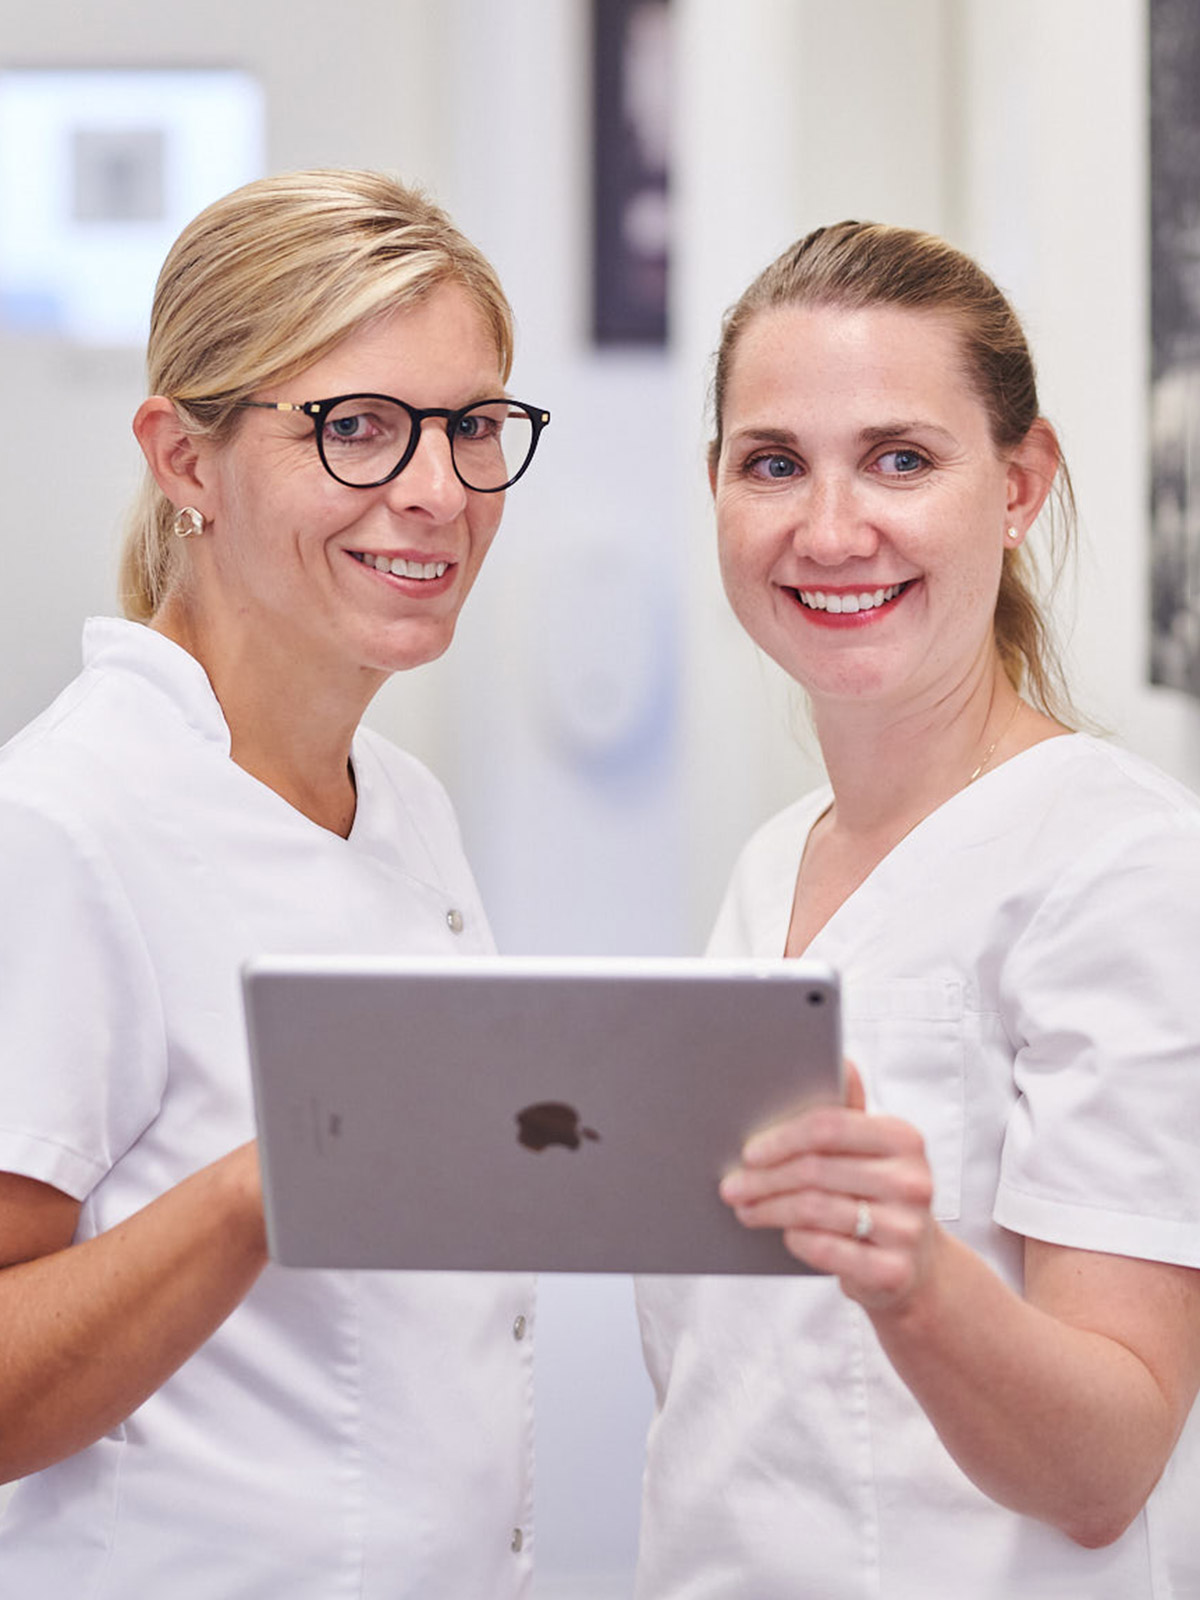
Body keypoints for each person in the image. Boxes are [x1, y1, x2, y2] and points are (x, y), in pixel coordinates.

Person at [0, 169, 550, 1597]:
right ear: (185, 461)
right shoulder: (66, 823)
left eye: (475, 427)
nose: (435, 490)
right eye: (356, 429)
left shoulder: (404, 807)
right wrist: (267, 1188)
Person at [635, 222, 1200, 1599]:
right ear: (714, 486)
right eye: (774, 463)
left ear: (1019, 485)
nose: (831, 530)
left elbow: (1106, 1465)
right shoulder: (774, 864)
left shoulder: (1122, 869)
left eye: (901, 458)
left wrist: (915, 1282)